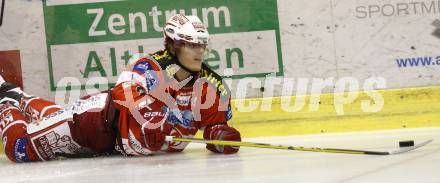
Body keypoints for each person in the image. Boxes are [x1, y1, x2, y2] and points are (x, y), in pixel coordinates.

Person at [0, 14, 241, 163]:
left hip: (120, 148)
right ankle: (6, 98)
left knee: (49, 117)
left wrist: (221, 138)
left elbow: (214, 128)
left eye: (202, 45)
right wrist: (148, 117)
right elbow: (123, 92)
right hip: (95, 124)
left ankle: (21, 97)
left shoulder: (213, 86)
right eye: (191, 45)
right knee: (18, 148)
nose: (199, 52)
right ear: (174, 45)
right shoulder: (149, 66)